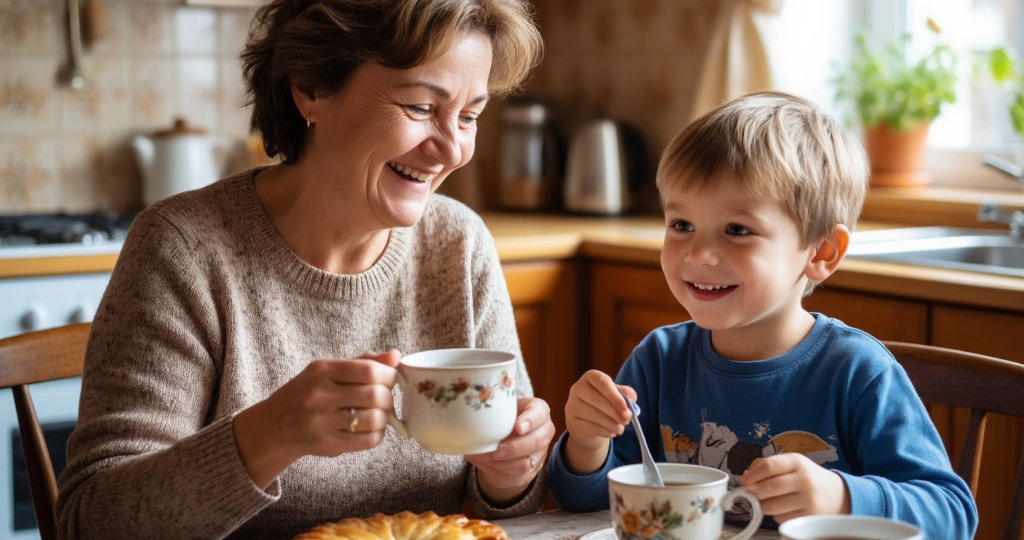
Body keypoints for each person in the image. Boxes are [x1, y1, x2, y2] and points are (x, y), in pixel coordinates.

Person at [56, 1, 552, 538]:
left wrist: (513, 473)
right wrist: (269, 434)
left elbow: (503, 511)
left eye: (470, 116)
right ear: (311, 87)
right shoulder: (185, 251)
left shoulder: (460, 244)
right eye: (417, 106)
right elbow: (92, 522)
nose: (451, 148)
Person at [547, 92, 978, 539]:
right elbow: (587, 503)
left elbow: (952, 514)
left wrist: (842, 497)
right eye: (681, 225)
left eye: (737, 230)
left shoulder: (856, 372)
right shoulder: (659, 360)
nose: (698, 253)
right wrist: (587, 442)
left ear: (821, 252)